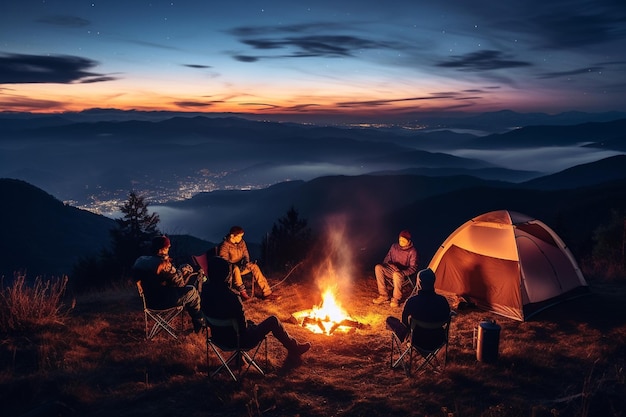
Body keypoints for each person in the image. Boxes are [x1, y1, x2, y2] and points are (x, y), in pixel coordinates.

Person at [201, 255, 311, 361]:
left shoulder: (205, 292)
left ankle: (239, 359)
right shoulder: (232, 297)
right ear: (226, 275)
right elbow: (242, 329)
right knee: (273, 320)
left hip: (217, 338)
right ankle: (294, 348)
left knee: (247, 323)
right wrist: (251, 327)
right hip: (239, 341)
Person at [132, 235, 206, 333]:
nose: (168, 249)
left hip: (149, 302)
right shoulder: (163, 264)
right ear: (163, 249)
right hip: (164, 302)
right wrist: (183, 271)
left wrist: (177, 271)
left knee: (188, 291)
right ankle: (200, 326)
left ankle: (200, 325)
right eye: (168, 247)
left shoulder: (141, 261)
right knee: (192, 291)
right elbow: (180, 284)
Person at [385, 268, 451, 350]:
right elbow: (447, 316)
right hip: (438, 340)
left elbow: (404, 323)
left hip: (417, 341)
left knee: (390, 320)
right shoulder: (442, 300)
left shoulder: (412, 301)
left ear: (419, 283)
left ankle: (408, 342)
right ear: (433, 282)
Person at [219, 225, 273, 300]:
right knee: (235, 268)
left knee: (254, 266)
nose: (240, 238)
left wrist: (245, 262)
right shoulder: (225, 246)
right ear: (232, 236)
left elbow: (246, 254)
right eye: (239, 236)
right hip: (231, 269)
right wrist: (234, 265)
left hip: (242, 266)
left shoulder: (242, 243)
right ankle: (243, 292)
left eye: (241, 236)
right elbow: (223, 261)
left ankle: (267, 292)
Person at [372, 229, 419, 308]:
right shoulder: (394, 246)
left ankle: (396, 299)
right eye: (400, 240)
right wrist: (391, 265)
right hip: (392, 269)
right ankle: (384, 295)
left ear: (408, 241)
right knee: (378, 267)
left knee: (396, 274)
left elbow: (413, 268)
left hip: (402, 273)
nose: (401, 242)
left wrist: (402, 272)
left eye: (403, 241)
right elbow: (387, 259)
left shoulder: (412, 251)